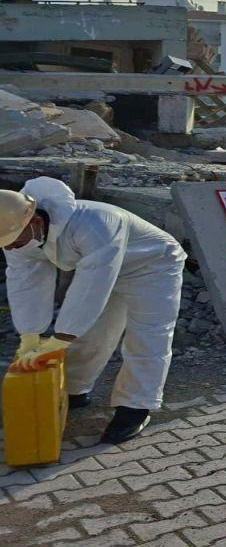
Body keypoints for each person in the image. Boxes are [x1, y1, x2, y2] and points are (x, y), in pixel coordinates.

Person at [2, 177, 186, 444]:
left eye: (13, 242)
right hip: (103, 269)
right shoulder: (14, 232)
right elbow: (26, 282)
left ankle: (135, 407)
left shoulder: (94, 224)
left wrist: (60, 338)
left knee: (148, 335)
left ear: (36, 222)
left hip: (153, 265)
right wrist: (30, 335)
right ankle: (74, 390)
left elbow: (92, 284)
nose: (9, 247)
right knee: (95, 334)